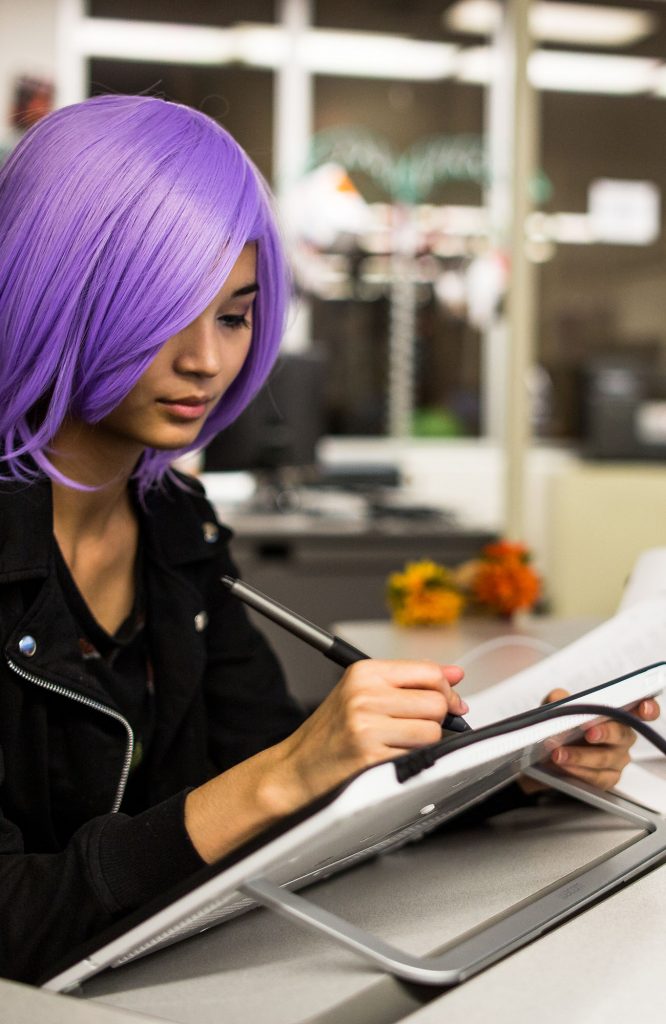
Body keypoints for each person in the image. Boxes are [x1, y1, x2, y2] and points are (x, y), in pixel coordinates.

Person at [0, 94, 658, 986]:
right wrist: (282, 775)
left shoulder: (176, 531)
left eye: (235, 315)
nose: (208, 360)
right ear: (55, 293)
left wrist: (513, 779)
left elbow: (290, 789)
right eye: (166, 314)